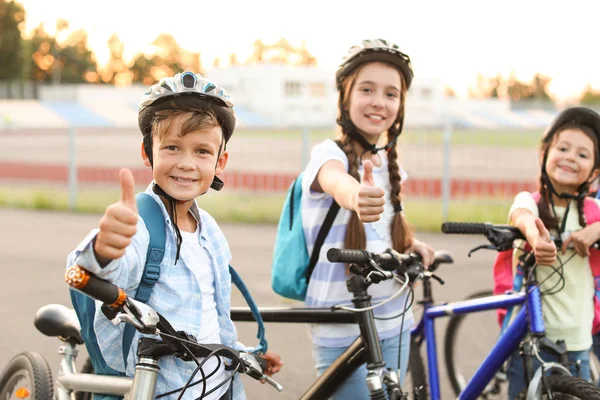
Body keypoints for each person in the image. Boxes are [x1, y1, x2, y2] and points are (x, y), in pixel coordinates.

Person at [67, 72, 282, 399]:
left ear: (220, 162)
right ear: (147, 152)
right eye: (172, 147)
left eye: (202, 152)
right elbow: (109, 268)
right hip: (159, 389)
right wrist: (105, 249)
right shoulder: (140, 222)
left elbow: (215, 317)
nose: (186, 163)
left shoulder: (210, 232)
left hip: (217, 388)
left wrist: (242, 354)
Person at [300, 39, 435, 398]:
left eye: (391, 94)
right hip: (341, 323)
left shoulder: (392, 168)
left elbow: (386, 236)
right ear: (345, 97)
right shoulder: (328, 154)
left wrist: (413, 246)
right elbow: (335, 181)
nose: (379, 101)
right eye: (367, 89)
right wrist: (355, 196)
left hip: (395, 318)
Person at [506, 107, 600, 398]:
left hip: (578, 344)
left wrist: (595, 229)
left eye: (582, 155)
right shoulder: (530, 201)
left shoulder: (593, 212)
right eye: (563, 148)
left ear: (595, 173)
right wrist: (535, 238)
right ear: (544, 155)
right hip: (529, 345)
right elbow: (520, 215)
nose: (571, 157)